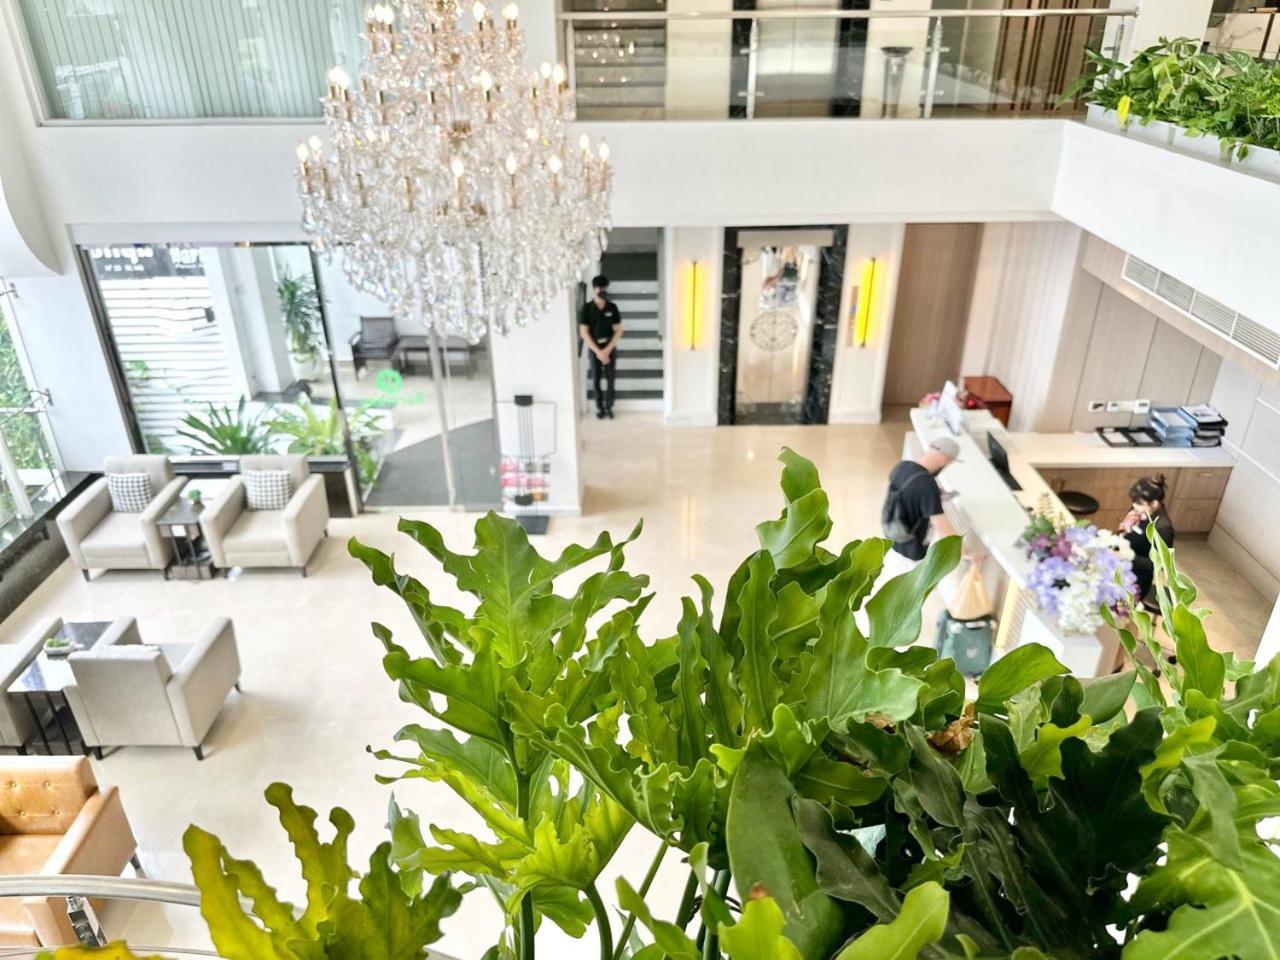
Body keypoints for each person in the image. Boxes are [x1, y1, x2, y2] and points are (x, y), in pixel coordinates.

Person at [882, 437, 963, 567]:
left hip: (892, 540)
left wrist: (937, 496)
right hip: (912, 553)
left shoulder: (902, 466)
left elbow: (911, 493)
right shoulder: (928, 484)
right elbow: (941, 527)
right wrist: (964, 552)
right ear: (944, 460)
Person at [1120, 474, 1175, 603]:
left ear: (1154, 503)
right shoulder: (1139, 511)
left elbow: (1160, 565)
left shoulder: (1162, 528)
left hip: (1136, 579)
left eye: (1139, 503)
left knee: (1122, 610)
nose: (1134, 506)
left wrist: (1129, 556)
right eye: (1133, 501)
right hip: (1122, 568)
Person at [579, 274, 623, 419]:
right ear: (594, 289)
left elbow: (618, 330)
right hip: (594, 348)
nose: (602, 291)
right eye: (599, 288)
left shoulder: (612, 307)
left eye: (604, 288)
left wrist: (607, 350)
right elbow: (584, 332)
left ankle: (609, 407)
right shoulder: (587, 308)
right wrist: (599, 352)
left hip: (610, 346)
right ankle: (600, 408)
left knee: (611, 379)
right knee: (596, 379)